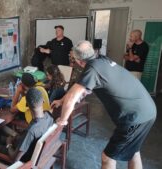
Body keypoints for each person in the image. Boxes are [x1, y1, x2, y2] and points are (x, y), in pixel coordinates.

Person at [52, 40, 156, 169]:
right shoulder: (101, 59)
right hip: (148, 109)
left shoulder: (92, 69)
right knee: (133, 151)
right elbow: (81, 90)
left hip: (135, 118)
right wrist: (62, 100)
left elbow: (72, 97)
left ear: (78, 61)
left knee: (107, 158)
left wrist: (62, 121)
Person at [0, 88, 54, 163]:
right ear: (43, 101)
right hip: (25, 145)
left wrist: (9, 144)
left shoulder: (31, 131)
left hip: (19, 156)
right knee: (0, 132)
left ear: (27, 105)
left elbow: (14, 159)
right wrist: (17, 138)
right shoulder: (49, 116)